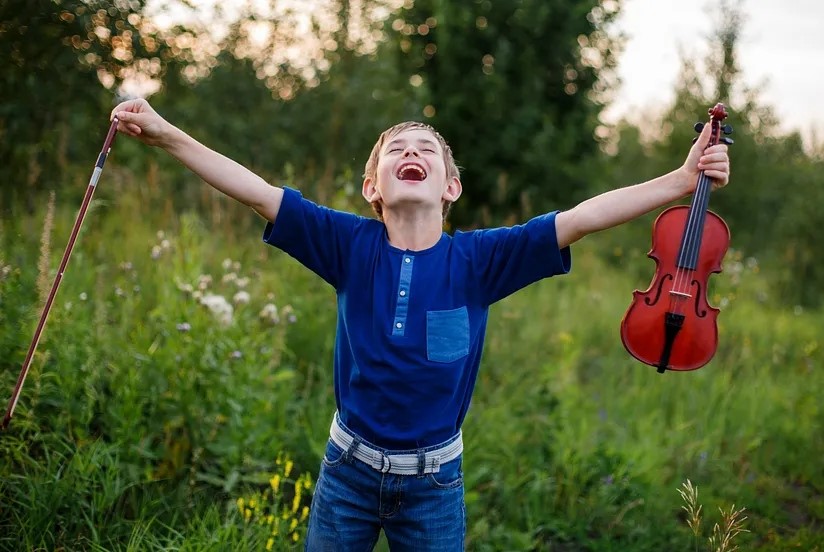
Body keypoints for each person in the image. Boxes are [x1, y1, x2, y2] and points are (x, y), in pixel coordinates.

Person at [111, 99, 730, 551]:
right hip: (346, 473)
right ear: (371, 187)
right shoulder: (346, 245)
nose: (412, 153)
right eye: (397, 150)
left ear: (451, 186)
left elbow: (581, 218)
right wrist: (167, 136)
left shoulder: (480, 261)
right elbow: (255, 191)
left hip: (434, 484)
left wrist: (680, 181)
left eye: (426, 150)